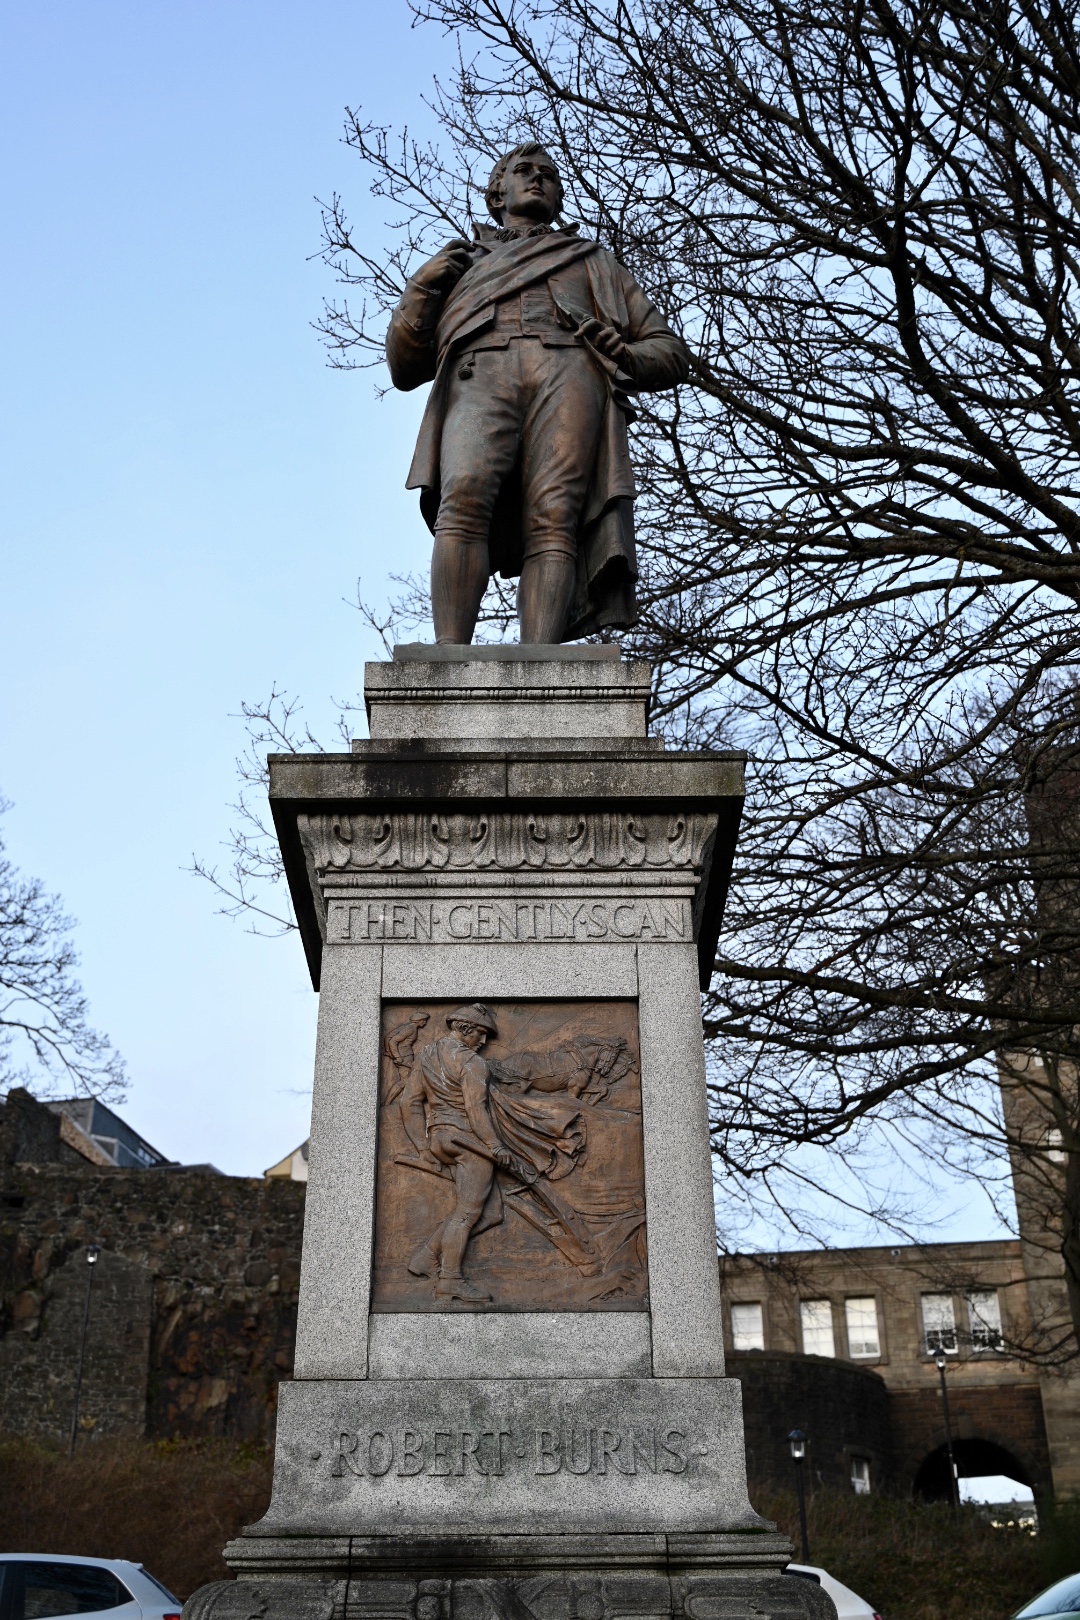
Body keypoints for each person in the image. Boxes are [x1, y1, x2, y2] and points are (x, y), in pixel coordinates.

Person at [385, 142, 690, 645]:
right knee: (463, 496)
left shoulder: (593, 261)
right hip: (480, 373)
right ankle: (448, 654)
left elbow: (671, 351)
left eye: (548, 174)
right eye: (524, 171)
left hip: (570, 374)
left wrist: (626, 353)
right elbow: (404, 365)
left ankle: (542, 658)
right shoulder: (458, 264)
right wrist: (421, 287)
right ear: (496, 194)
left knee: (556, 513)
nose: (537, 179)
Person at [398, 1003, 512, 1303]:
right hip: (468, 1142)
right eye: (480, 1033)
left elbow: (409, 1102)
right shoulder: (472, 1063)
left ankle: (426, 1256)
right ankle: (450, 1280)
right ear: (463, 1028)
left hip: (440, 1138)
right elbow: (476, 1110)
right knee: (467, 1214)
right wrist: (495, 1145)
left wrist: (423, 1147)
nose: (483, 1041)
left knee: (491, 1213)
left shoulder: (426, 1055)